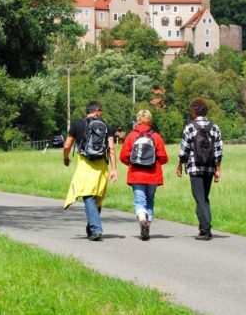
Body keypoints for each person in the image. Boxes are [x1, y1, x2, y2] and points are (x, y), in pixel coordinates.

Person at [63, 101, 118, 241]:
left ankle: (95, 229)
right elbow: (111, 149)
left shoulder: (76, 124)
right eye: (101, 111)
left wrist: (66, 158)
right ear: (97, 110)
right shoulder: (106, 126)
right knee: (96, 198)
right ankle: (92, 228)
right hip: (102, 166)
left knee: (88, 196)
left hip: (85, 165)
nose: (101, 114)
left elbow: (67, 145)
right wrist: (114, 169)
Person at [176, 98, 223, 241]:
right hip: (209, 168)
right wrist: (218, 169)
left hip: (195, 168)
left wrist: (179, 165)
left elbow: (184, 150)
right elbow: (218, 151)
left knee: (199, 199)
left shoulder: (190, 127)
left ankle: (205, 231)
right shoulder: (215, 128)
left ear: (194, 111)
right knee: (205, 198)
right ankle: (206, 227)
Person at [119, 109, 168, 241]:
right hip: (153, 175)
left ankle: (142, 221)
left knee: (139, 201)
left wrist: (132, 163)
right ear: (150, 120)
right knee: (150, 200)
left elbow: (123, 156)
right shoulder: (156, 136)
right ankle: (148, 224)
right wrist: (154, 163)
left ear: (138, 120)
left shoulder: (131, 136)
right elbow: (163, 157)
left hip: (136, 174)